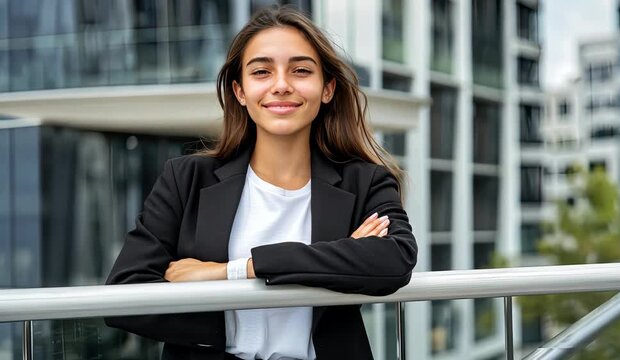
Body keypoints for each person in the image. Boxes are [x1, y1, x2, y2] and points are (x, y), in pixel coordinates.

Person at [105, 6, 417, 360]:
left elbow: (394, 261)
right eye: (262, 72)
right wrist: (336, 257)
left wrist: (231, 272)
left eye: (300, 71)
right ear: (239, 91)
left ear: (327, 88)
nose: (281, 85)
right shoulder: (186, 178)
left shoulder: (365, 181)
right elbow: (124, 296)